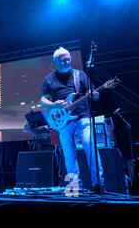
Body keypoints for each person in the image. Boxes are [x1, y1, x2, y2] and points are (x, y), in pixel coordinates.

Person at [41, 47, 104, 191]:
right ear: (56, 61)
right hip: (63, 121)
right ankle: (74, 188)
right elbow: (43, 99)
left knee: (90, 147)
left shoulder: (79, 75)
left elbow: (92, 92)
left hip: (82, 117)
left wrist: (94, 94)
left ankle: (99, 185)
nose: (67, 62)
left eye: (68, 59)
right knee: (69, 156)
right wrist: (52, 104)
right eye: (63, 60)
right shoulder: (49, 79)